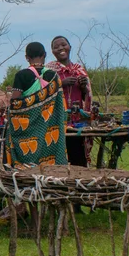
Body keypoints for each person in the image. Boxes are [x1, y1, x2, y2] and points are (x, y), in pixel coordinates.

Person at [7, 42, 68, 167]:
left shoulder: (21, 75)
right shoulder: (54, 77)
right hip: (48, 126)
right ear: (45, 55)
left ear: (26, 57)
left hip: (27, 127)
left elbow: (15, 104)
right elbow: (60, 105)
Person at [46, 36, 93, 167]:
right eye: (56, 47)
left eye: (63, 45)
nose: (61, 48)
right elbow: (43, 94)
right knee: (58, 161)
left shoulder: (79, 70)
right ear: (52, 52)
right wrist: (60, 83)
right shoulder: (49, 71)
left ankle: (78, 184)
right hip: (56, 123)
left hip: (77, 123)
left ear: (70, 47)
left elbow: (87, 97)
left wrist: (83, 87)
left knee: (78, 159)